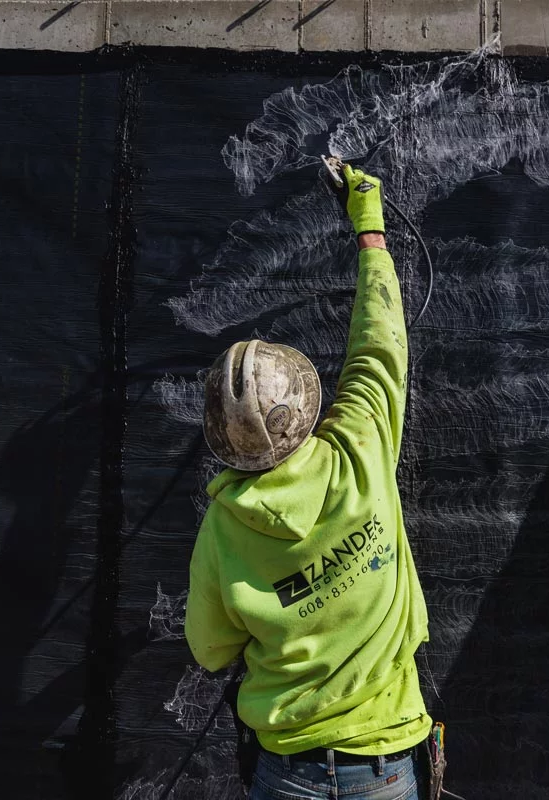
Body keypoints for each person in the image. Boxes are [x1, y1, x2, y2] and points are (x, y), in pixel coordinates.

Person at [185, 163, 432, 800]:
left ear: (222, 442)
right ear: (304, 404)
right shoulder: (361, 446)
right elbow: (381, 346)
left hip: (288, 769)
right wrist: (369, 228)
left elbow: (211, 650)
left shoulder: (223, 527)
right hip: (386, 760)